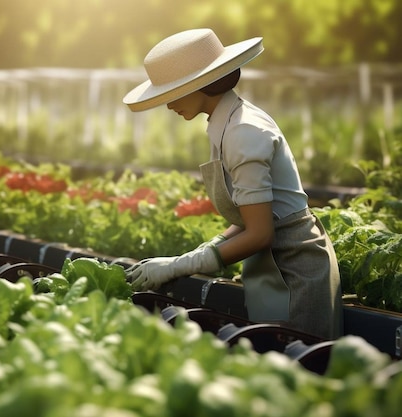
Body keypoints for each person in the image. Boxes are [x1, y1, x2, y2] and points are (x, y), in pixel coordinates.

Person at [122, 28, 343, 340]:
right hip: (274, 264)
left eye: (172, 93)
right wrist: (202, 250)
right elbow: (250, 217)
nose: (167, 104)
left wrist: (179, 266)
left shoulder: (243, 132)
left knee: (301, 367)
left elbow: (260, 233)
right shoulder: (225, 124)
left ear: (201, 84)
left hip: (294, 271)